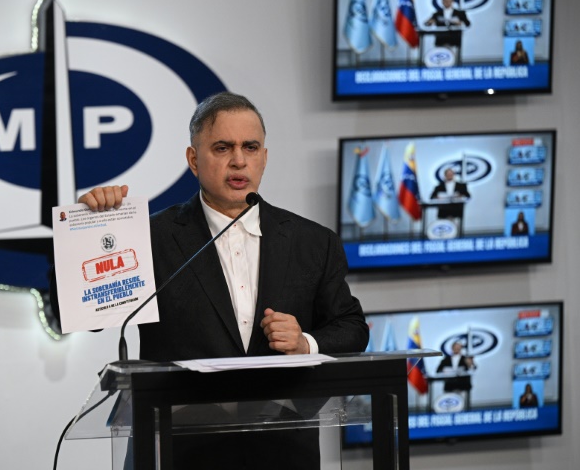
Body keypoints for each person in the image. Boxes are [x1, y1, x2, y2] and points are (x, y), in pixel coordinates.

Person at [77, 91, 369, 470]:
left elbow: (352, 328)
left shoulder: (312, 241)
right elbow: (85, 315)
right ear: (193, 160)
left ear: (264, 157)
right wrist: (93, 230)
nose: (238, 160)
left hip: (281, 453)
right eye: (222, 148)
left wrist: (305, 343)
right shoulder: (150, 238)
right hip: (179, 453)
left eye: (250, 147)